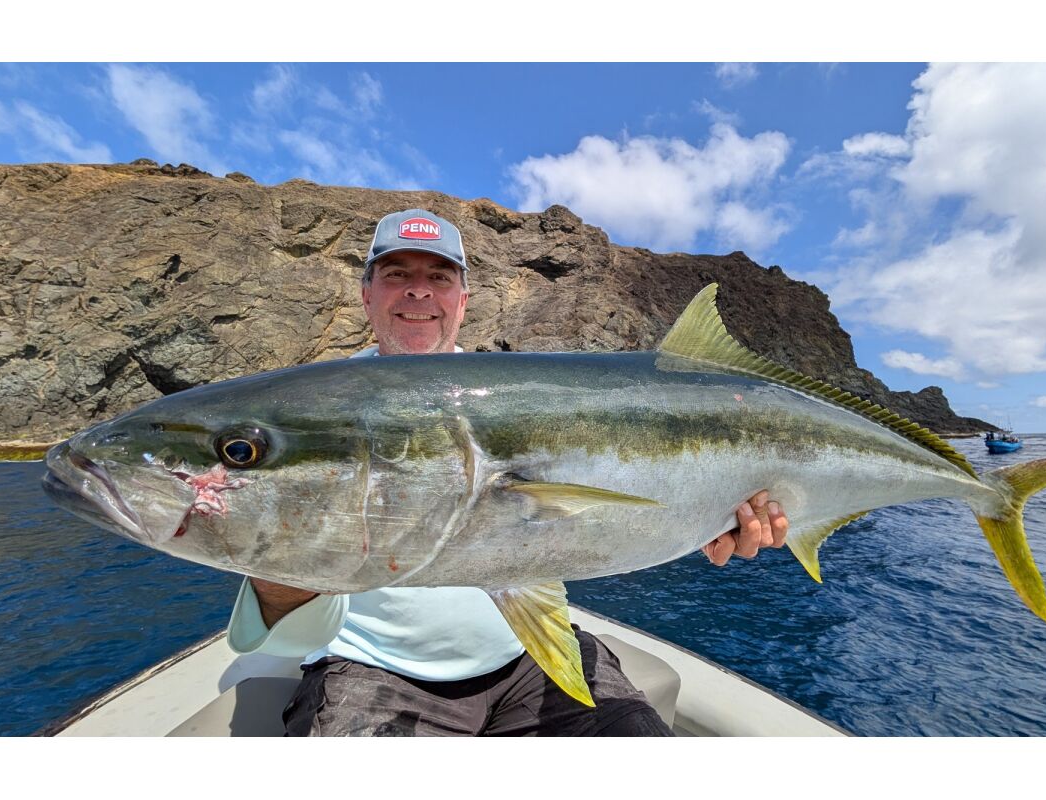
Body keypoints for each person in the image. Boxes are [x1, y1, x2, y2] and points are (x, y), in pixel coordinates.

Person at [227, 208, 790, 736]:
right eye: (397, 274)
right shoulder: (314, 408)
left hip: (528, 659)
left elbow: (629, 489)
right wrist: (280, 571)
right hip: (375, 672)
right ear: (366, 294)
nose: (419, 290)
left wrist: (705, 518)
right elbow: (289, 629)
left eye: (439, 277)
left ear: (463, 300)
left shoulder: (527, 393)